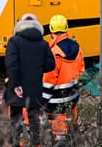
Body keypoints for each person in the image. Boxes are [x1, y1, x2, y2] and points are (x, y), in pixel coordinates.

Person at [5, 14, 56, 147]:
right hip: (35, 86)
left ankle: (16, 143)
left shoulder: (14, 41)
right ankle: (35, 144)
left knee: (16, 117)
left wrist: (16, 84)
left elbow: (11, 64)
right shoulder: (43, 44)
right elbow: (51, 65)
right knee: (34, 118)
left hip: (17, 87)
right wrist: (37, 69)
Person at [43, 14, 85, 140]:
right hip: (72, 97)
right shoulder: (77, 47)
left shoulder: (53, 52)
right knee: (71, 127)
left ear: (51, 30)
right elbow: (81, 70)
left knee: (59, 136)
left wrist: (42, 101)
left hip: (55, 102)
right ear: (67, 28)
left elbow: (48, 81)